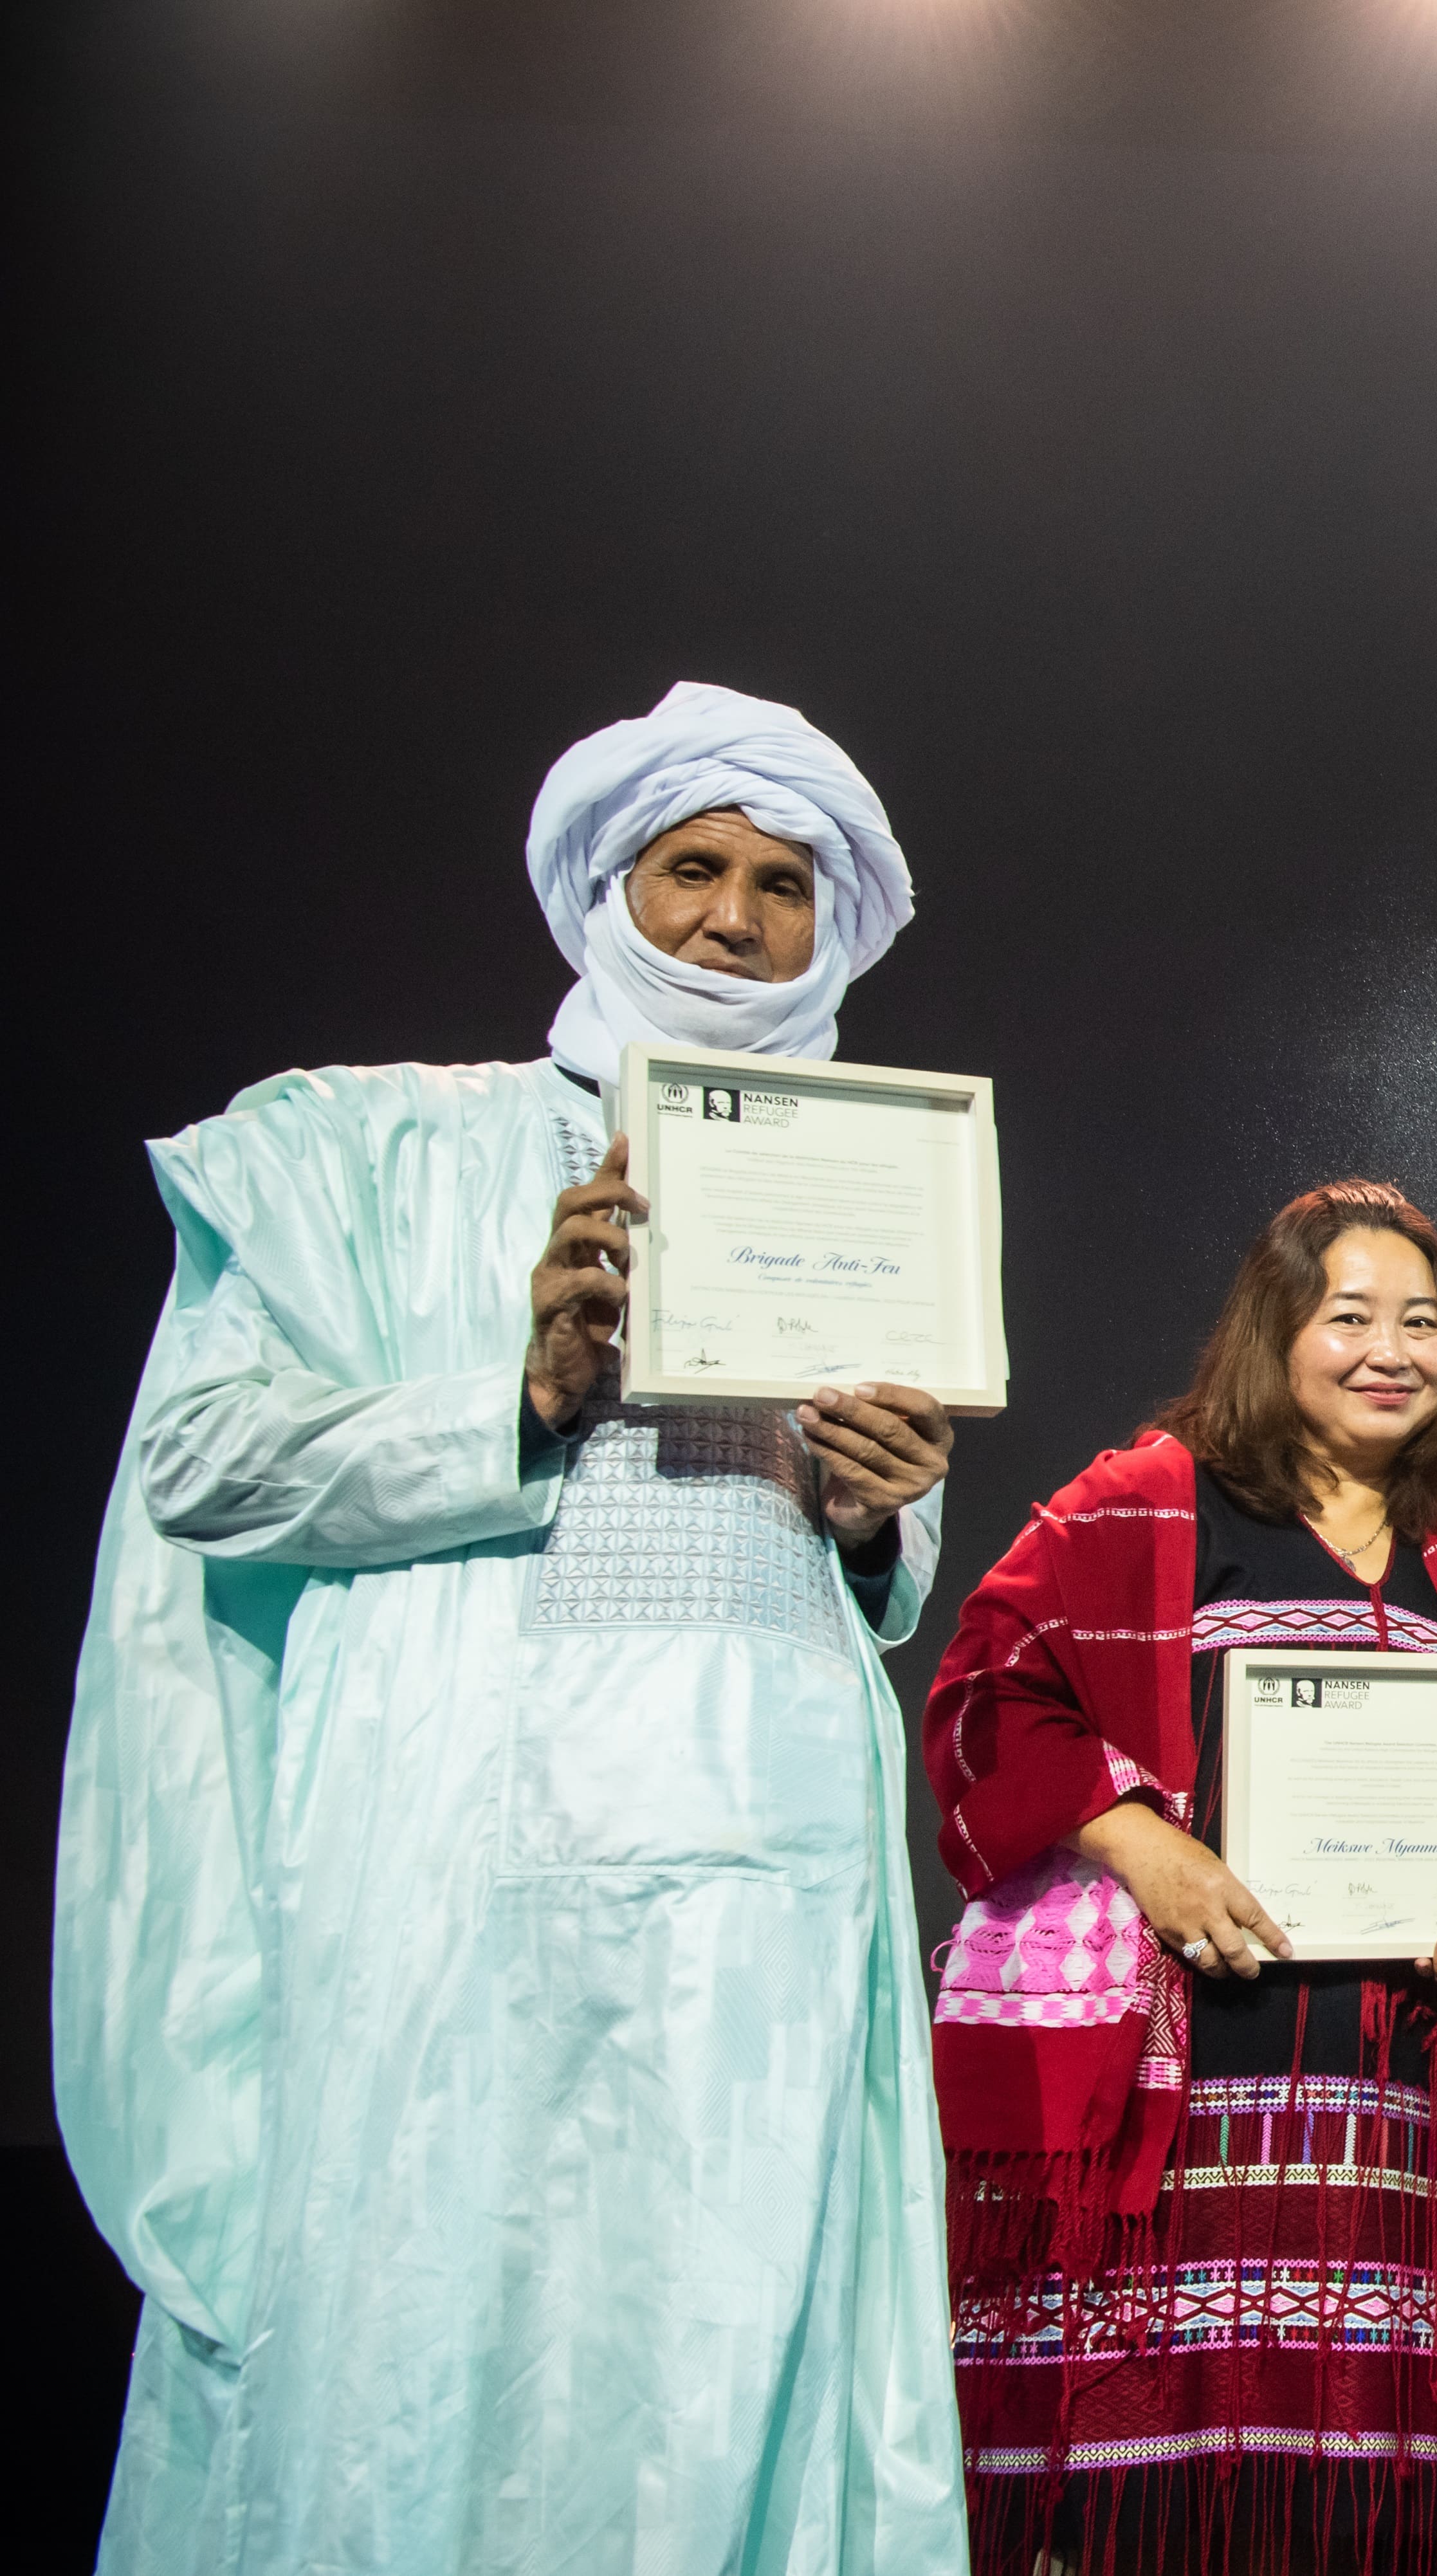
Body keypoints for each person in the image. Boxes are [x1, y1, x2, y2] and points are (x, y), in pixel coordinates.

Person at [57, 681, 967, 2573]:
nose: (736, 917)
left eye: (786, 882)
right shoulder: (371, 1151)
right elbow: (204, 1466)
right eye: (693, 869)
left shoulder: (881, 1175)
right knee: (427, 2364)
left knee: (734, 2363)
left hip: (761, 1895)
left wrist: (886, 1507)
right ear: (603, 892)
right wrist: (523, 1393)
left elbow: (872, 1573)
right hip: (449, 1876)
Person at [922, 1182, 1437, 2575]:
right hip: (1165, 2109)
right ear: (1277, 1332)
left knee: (1343, 2502)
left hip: (1382, 2128)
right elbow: (984, 1699)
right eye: (1350, 1317)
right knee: (1125, 2494)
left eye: (1423, 1324)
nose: (1390, 1350)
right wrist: (1133, 1835)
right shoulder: (1147, 1501)